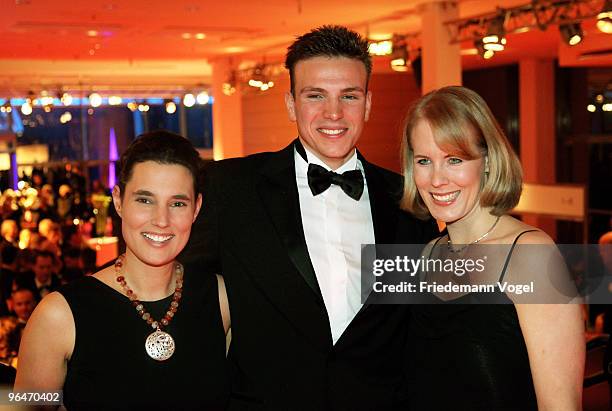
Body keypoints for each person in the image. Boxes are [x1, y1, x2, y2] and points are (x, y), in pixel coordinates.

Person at [181, 25, 437, 409]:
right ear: (290, 104)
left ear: (367, 104)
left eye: (348, 96)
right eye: (315, 95)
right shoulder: (230, 188)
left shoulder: (408, 200)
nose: (333, 113)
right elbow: (177, 288)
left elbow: (422, 334)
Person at [15, 131, 230, 409]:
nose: (161, 220)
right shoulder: (59, 315)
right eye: (145, 200)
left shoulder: (220, 297)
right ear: (118, 201)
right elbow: (24, 405)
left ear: (196, 208)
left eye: (177, 203)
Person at [400, 86, 584, 410]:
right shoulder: (428, 254)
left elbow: (560, 406)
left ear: (487, 161)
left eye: (454, 159)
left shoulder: (531, 256)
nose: (437, 179)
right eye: (424, 161)